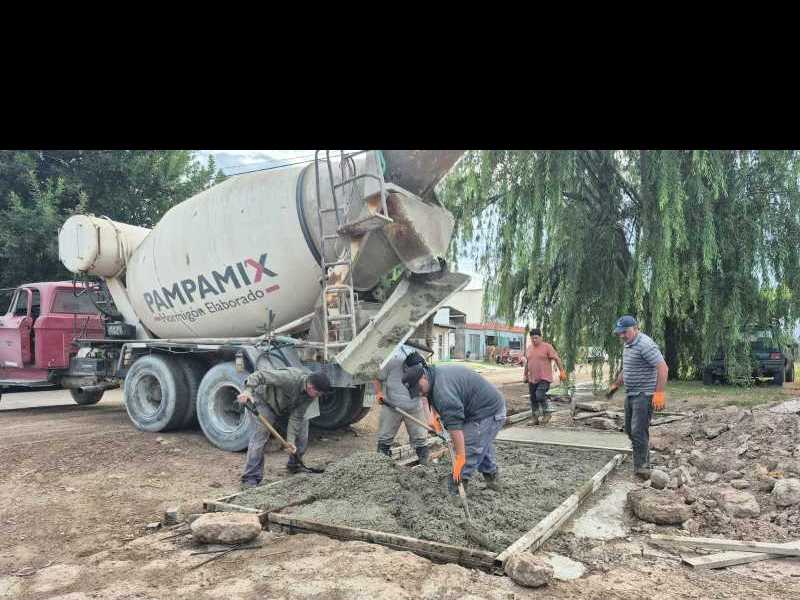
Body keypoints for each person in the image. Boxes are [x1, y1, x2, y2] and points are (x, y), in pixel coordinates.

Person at [402, 363, 506, 493]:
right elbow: (431, 397)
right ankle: (492, 479)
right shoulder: (433, 375)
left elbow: (456, 430)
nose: (419, 392)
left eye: (419, 388)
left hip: (489, 412)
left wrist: (460, 459)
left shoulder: (443, 392)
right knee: (479, 443)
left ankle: (456, 490)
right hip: (476, 409)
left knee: (469, 448)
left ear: (423, 376)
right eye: (415, 391)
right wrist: (435, 417)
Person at [236, 367, 332, 489]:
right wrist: (248, 391)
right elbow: (260, 375)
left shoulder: (310, 395)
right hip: (264, 402)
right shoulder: (289, 378)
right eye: (318, 393)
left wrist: (290, 443)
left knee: (302, 430)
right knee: (260, 436)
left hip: (285, 406)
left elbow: (296, 417)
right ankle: (250, 478)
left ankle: (295, 465)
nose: (317, 396)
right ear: (310, 387)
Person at [606, 315, 668, 479]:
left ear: (635, 328)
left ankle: (642, 467)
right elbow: (627, 368)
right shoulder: (628, 345)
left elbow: (663, 368)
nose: (622, 336)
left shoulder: (645, 344)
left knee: (638, 430)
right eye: (619, 333)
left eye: (625, 332)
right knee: (629, 429)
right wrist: (616, 385)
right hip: (631, 393)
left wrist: (659, 393)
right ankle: (644, 461)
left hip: (644, 394)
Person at [373, 351, 432, 464]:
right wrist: (379, 393)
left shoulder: (424, 371)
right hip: (391, 406)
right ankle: (381, 461)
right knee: (385, 437)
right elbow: (376, 377)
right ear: (404, 365)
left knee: (420, 437)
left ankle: (425, 463)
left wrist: (431, 419)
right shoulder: (392, 363)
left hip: (414, 408)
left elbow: (427, 396)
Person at [523, 328, 567, 426]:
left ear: (540, 337)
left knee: (540, 395)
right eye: (532, 338)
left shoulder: (547, 347)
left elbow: (557, 359)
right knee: (533, 399)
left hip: (544, 378)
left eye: (536, 338)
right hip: (532, 378)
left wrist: (562, 372)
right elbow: (528, 363)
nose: (534, 340)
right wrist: (525, 375)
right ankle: (535, 418)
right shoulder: (529, 348)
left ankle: (547, 413)